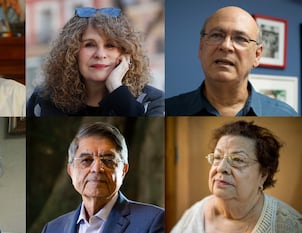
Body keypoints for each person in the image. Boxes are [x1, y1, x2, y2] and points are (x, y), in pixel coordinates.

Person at [27, 7, 164, 116]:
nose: (100, 54)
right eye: (89, 45)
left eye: (110, 45)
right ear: (72, 53)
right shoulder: (43, 100)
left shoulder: (153, 101)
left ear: (125, 53)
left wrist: (116, 87)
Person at [171, 120, 302, 232]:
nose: (221, 168)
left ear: (263, 175)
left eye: (238, 160)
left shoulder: (289, 225)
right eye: (217, 157)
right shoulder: (195, 214)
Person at [165, 6, 298, 116]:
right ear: (201, 47)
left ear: (257, 55)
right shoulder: (167, 110)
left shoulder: (285, 114)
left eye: (240, 38)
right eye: (216, 35)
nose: (226, 46)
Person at [42, 122, 164, 232]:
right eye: (86, 160)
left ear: (123, 170)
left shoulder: (153, 221)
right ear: (70, 170)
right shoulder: (53, 228)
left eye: (108, 160)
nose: (96, 169)